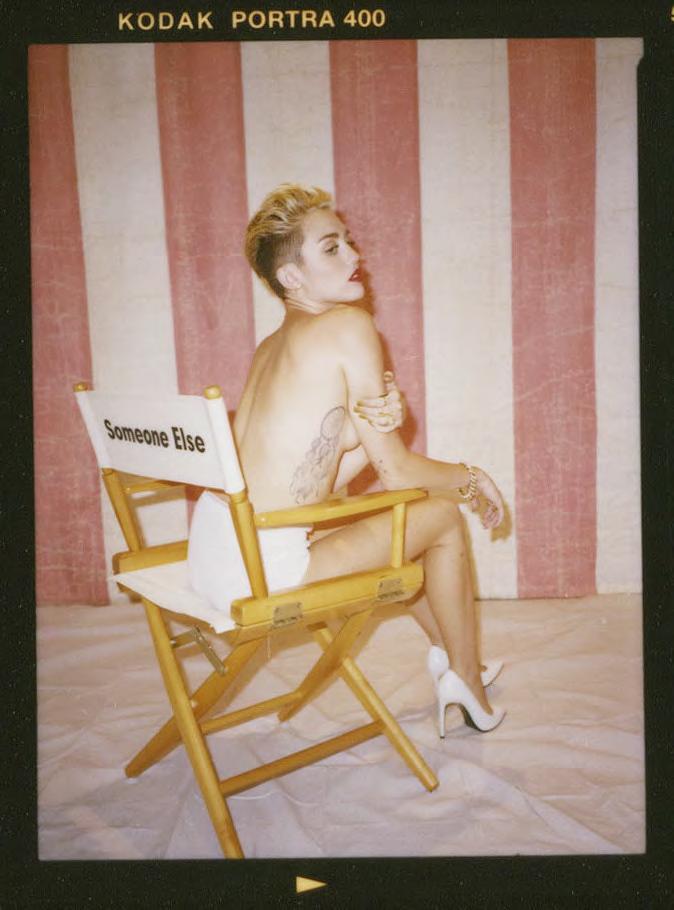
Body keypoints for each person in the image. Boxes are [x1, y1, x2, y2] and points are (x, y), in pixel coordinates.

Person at [188, 184, 506, 736]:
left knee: (398, 533)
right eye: (332, 247)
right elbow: (397, 473)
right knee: (442, 518)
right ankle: (467, 684)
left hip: (217, 555)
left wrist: (364, 432)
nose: (355, 256)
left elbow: (311, 477)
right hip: (266, 565)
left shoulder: (270, 346)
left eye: (348, 242)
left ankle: (460, 663)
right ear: (292, 277)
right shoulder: (349, 326)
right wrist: (472, 478)